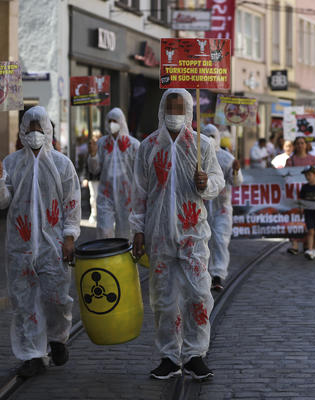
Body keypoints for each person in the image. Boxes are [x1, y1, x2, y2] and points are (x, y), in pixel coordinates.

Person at [130, 89, 224, 380]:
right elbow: (140, 192)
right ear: (161, 110)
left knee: (198, 294)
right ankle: (169, 356)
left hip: (193, 234)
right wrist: (137, 229)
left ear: (189, 111)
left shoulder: (202, 145)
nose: (174, 113)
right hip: (158, 236)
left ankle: (195, 353)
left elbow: (218, 180)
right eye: (169, 107)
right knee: (163, 299)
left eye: (180, 107)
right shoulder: (147, 147)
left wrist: (205, 182)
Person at [0, 106, 81, 378]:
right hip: (21, 246)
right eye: (30, 129)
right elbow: (0, 202)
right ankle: (32, 354)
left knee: (56, 299)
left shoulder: (63, 165)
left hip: (54, 246)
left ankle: (58, 338)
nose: (35, 134)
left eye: (40, 129)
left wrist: (69, 236)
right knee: (25, 302)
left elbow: (71, 204)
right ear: (23, 131)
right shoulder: (11, 163)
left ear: (48, 131)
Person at [88, 108, 140, 239]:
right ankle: (106, 258)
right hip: (106, 194)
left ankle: (124, 259)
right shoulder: (101, 143)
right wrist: (93, 155)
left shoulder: (133, 145)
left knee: (126, 234)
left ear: (121, 122)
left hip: (127, 195)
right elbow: (94, 170)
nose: (112, 124)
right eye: (109, 121)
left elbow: (140, 172)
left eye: (115, 121)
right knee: (104, 231)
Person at [202, 124, 243, 291]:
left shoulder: (227, 158)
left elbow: (237, 182)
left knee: (219, 240)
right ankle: (203, 274)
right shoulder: (196, 156)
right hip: (202, 207)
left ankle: (218, 274)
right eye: (207, 135)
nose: (210, 138)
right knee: (203, 241)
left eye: (213, 135)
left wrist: (236, 171)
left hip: (221, 208)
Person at [286, 136, 315, 255]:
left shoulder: (314, 159)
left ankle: (308, 244)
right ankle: (294, 243)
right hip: (296, 194)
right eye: (298, 143)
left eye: (302, 143)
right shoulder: (290, 161)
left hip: (310, 194)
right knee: (296, 217)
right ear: (295, 146)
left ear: (306, 145)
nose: (300, 145)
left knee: (310, 219)